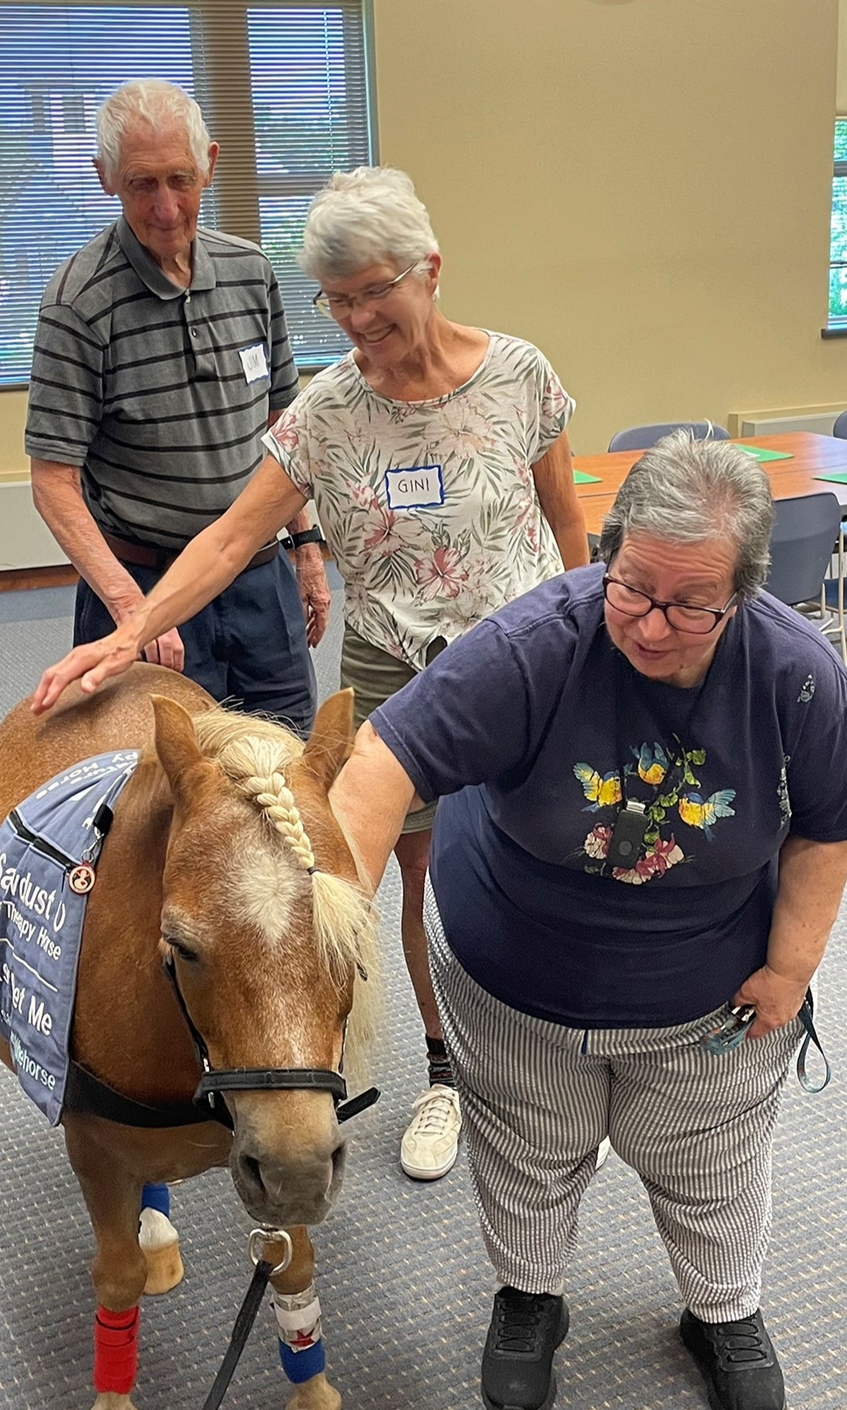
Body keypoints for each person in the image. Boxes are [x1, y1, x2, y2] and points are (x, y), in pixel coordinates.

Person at [31, 164, 590, 1183]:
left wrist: (590, 633)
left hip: (524, 660)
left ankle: (554, 1052)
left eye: (373, 291)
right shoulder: (327, 412)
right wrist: (127, 631)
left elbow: (565, 521)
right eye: (334, 299)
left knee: (543, 850)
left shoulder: (518, 374)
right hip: (397, 674)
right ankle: (434, 1070)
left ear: (428, 268)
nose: (355, 318)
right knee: (380, 882)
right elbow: (225, 539)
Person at [313, 433, 847, 1410]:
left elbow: (826, 829)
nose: (650, 624)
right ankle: (530, 1299)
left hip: (710, 988)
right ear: (605, 551)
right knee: (525, 1154)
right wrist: (333, 926)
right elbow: (381, 762)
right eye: (632, 586)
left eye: (691, 605)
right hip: (516, 968)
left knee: (713, 1169)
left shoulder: (796, 672)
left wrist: (791, 967)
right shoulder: (532, 646)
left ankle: (721, 1311)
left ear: (743, 595)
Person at [25, 78, 329, 736]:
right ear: (106, 177)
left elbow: (284, 429)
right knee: (159, 793)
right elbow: (53, 480)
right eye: (141, 184)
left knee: (286, 765)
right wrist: (135, 611)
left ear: (210, 165)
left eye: (180, 179)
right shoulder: (79, 300)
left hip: (256, 578)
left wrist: (305, 546)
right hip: (144, 580)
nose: (166, 208)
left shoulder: (252, 272)